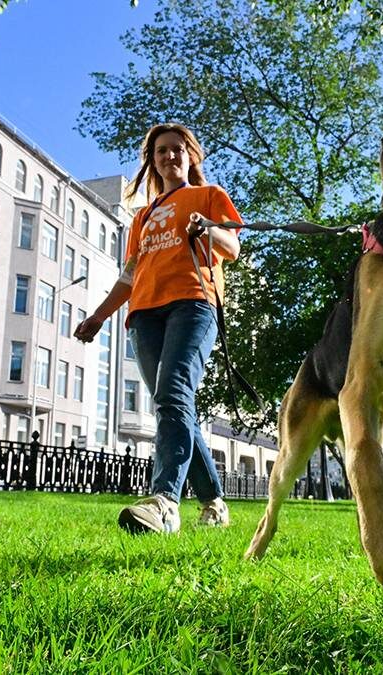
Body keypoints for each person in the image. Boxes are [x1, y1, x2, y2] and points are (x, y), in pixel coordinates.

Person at [74, 123, 241, 534]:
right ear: (153, 160)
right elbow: (130, 274)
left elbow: (233, 248)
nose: (169, 156)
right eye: (161, 151)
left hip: (194, 303)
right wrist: (98, 316)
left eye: (177, 150)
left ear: (191, 156)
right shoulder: (142, 217)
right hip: (145, 314)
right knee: (175, 403)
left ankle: (164, 501)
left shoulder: (209, 196)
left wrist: (209, 229)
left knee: (173, 393)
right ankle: (215, 503)